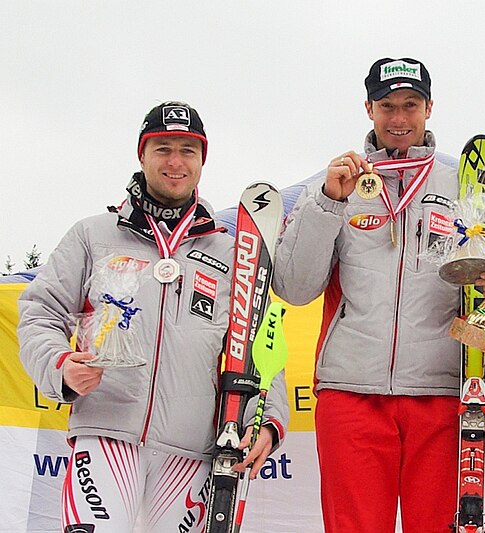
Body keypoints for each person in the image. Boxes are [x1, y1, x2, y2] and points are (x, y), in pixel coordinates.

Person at [272, 57, 485, 532]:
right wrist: (328, 202)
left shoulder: (467, 189)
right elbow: (295, 287)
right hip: (351, 393)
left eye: (410, 105)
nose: (399, 118)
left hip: (442, 393)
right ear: (368, 108)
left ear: (430, 108)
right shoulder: (337, 187)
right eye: (387, 105)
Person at [17, 101, 289, 532]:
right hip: (107, 433)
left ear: (202, 160)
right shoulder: (93, 235)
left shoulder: (232, 251)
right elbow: (39, 312)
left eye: (188, 150)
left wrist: (267, 422)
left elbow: (259, 344)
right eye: (163, 148)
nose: (175, 162)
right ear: (142, 155)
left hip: (194, 449)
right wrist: (59, 364)